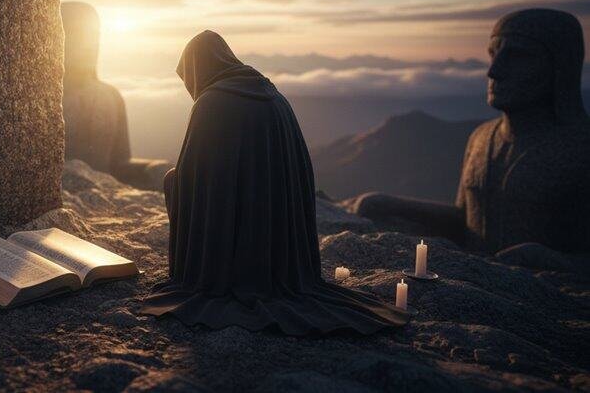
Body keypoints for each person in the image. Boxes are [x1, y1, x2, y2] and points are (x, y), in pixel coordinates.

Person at [141, 31, 407, 334]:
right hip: (278, 230)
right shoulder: (270, 91)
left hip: (231, 242)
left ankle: (197, 273)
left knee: (172, 180)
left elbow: (195, 176)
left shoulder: (210, 103)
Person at [354, 8, 589, 256]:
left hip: (537, 291)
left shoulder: (582, 147)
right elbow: (467, 220)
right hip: (476, 276)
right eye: (493, 55)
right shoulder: (482, 138)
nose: (494, 71)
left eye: (517, 56)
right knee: (374, 204)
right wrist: (385, 205)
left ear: (559, 67)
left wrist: (546, 259)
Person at [61, 1, 171, 190]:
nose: (89, 45)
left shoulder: (111, 96)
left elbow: (119, 164)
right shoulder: (42, 102)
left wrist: (156, 169)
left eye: (94, 35)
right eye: (78, 35)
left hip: (107, 189)